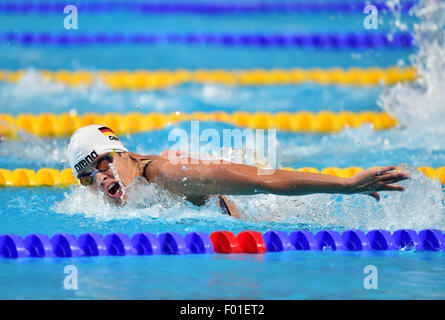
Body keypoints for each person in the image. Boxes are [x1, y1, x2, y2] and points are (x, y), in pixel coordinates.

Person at [67, 124, 410, 218]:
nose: (100, 178)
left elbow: (264, 180)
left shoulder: (169, 173)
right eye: (87, 176)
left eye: (102, 163)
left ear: (121, 153)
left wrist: (346, 185)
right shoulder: (113, 197)